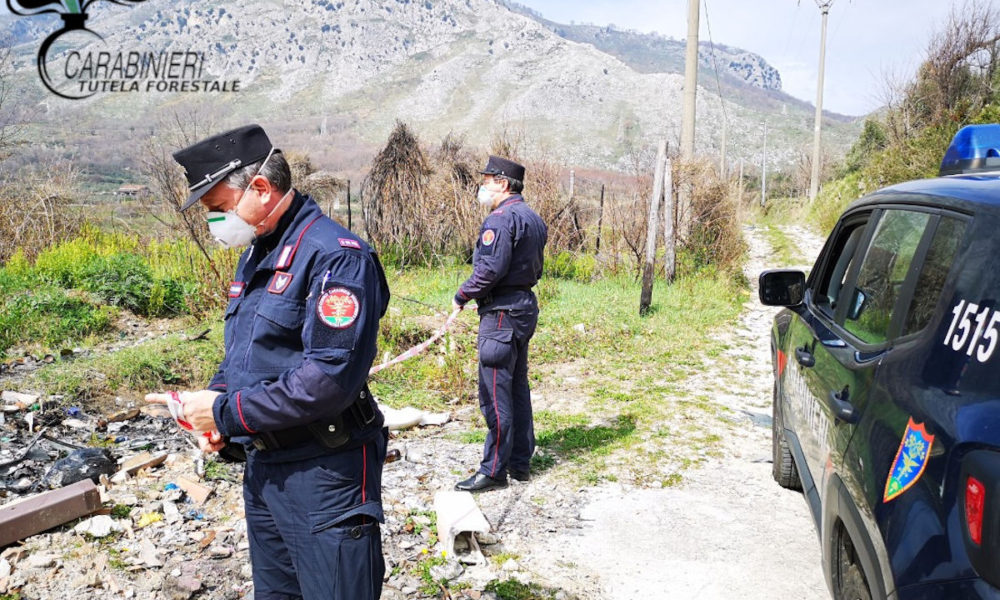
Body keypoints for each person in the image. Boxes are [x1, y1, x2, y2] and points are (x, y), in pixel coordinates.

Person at [145, 124, 390, 600]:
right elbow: (247, 353)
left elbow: (328, 379)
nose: (215, 222)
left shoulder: (336, 258)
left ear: (260, 187)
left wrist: (224, 412)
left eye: (218, 208)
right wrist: (215, 403)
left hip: (324, 472)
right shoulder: (261, 250)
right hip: (264, 467)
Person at [453, 155, 547, 493]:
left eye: (487, 181)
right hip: (523, 308)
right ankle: (520, 462)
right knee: (516, 387)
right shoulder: (533, 217)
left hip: (502, 314)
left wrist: (462, 295)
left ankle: (493, 470)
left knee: (495, 392)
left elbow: (490, 269)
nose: (483, 187)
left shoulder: (501, 219)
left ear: (503, 184)